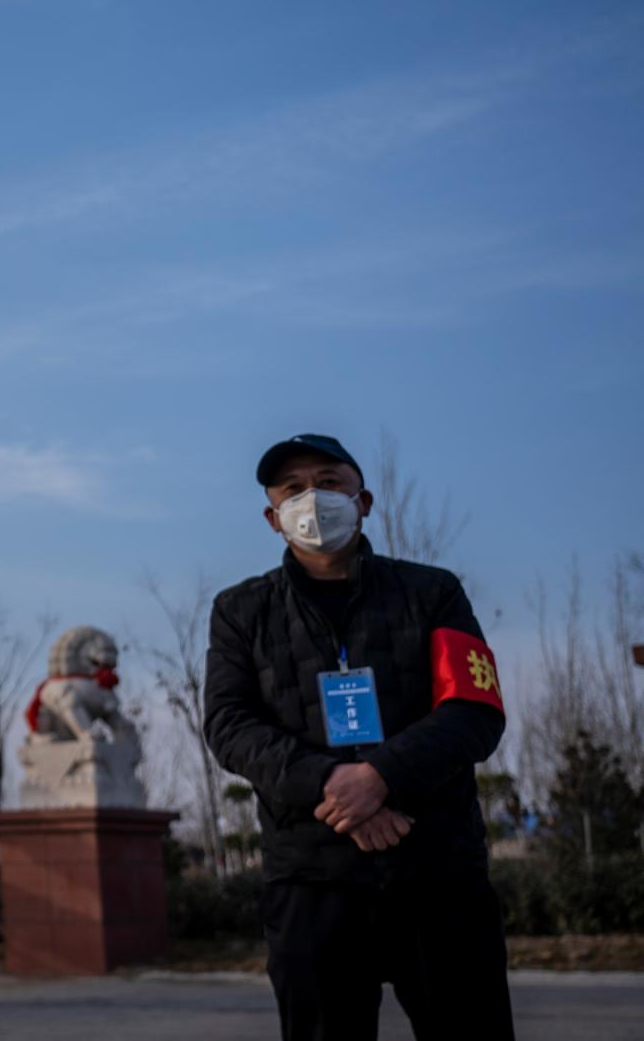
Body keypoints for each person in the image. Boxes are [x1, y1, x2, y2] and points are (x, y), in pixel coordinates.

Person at [204, 433, 512, 1040]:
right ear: (272, 517)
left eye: (328, 482)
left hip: (436, 868)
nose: (312, 499)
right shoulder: (240, 611)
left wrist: (381, 777)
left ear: (363, 501)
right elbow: (230, 724)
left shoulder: (434, 593)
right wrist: (332, 783)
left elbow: (474, 709)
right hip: (311, 878)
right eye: (293, 489)